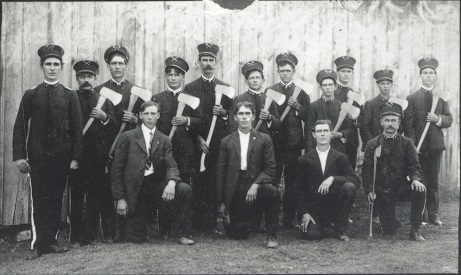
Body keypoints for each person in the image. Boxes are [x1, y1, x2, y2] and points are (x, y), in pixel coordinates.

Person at [13, 44, 83, 259]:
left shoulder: (69, 95)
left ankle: (51, 241)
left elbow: (77, 129)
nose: (52, 68)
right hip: (38, 159)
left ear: (61, 67)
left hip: (61, 159)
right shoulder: (31, 94)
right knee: (39, 201)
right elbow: (20, 127)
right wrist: (20, 156)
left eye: (56, 64)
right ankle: (36, 244)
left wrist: (75, 157)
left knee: (55, 200)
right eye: (48, 64)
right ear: (41, 67)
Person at [110, 101, 194, 245]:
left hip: (154, 187)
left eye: (153, 114)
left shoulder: (164, 139)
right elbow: (116, 170)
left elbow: (171, 164)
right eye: (146, 114)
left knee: (184, 189)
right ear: (140, 115)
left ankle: (182, 233)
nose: (150, 117)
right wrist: (120, 198)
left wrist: (172, 182)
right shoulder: (127, 137)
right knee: (136, 238)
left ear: (158, 116)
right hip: (135, 190)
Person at [216, 101, 280, 248]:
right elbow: (221, 172)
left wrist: (256, 184)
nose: (244, 117)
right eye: (241, 114)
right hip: (236, 188)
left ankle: (271, 236)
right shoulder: (226, 141)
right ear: (235, 117)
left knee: (273, 192)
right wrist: (221, 202)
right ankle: (246, 222)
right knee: (238, 234)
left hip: (256, 183)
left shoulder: (264, 139)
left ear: (253, 117)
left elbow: (270, 168)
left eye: (247, 114)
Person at [183, 43, 232, 233]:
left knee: (214, 181)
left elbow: (231, 117)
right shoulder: (190, 88)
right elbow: (187, 116)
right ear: (199, 62)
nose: (208, 64)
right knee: (198, 181)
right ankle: (197, 223)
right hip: (197, 142)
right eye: (205, 60)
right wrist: (198, 138)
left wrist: (224, 113)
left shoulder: (225, 88)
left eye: (212, 60)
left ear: (217, 62)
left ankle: (212, 223)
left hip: (218, 141)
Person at [152, 56, 202, 238]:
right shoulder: (157, 98)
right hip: (163, 150)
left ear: (183, 77)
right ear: (166, 77)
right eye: (170, 74)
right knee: (166, 185)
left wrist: (187, 120)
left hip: (185, 150)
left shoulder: (190, 99)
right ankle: (165, 228)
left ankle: (183, 229)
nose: (173, 78)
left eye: (177, 75)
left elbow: (201, 121)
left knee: (184, 188)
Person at [69, 60, 118, 246]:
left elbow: (115, 126)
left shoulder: (104, 99)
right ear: (77, 79)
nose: (86, 80)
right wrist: (73, 155)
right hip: (79, 157)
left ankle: (107, 234)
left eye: (90, 76)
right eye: (83, 76)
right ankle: (77, 238)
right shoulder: (71, 98)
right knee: (78, 197)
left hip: (100, 157)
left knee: (103, 195)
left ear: (96, 78)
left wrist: (104, 117)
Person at [362, 105, 426, 241]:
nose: (390, 124)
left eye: (393, 120)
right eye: (387, 120)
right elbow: (367, 171)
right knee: (389, 231)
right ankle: (389, 222)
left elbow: (414, 165)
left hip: (402, 186)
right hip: (382, 190)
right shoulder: (373, 144)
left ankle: (415, 229)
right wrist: (369, 190)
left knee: (420, 189)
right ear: (381, 122)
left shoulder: (407, 143)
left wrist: (415, 179)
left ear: (398, 123)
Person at [404, 58, 452, 226]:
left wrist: (438, 118)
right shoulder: (412, 98)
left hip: (435, 146)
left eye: (431, 73)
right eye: (425, 73)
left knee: (432, 181)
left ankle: (433, 213)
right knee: (419, 180)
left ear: (435, 76)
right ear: (420, 75)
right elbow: (408, 125)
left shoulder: (441, 97)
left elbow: (449, 119)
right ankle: (420, 213)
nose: (428, 76)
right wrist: (412, 146)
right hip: (418, 147)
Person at [296, 120, 360, 242]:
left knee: (349, 187)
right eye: (319, 131)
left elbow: (355, 180)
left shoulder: (341, 157)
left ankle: (340, 228)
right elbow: (298, 189)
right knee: (312, 236)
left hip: (334, 207)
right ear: (314, 135)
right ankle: (318, 225)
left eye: (326, 131)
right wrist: (304, 213)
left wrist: (333, 178)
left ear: (331, 134)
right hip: (314, 209)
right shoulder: (304, 160)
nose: (323, 134)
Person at [266, 53, 310, 229]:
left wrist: (298, 107)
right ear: (277, 71)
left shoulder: (300, 92)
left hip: (293, 144)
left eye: (288, 70)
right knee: (273, 180)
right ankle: (271, 217)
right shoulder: (270, 91)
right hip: (274, 143)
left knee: (292, 183)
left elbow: (309, 116)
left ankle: (289, 219)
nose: (285, 74)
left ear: (294, 71)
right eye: (282, 70)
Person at [227, 60, 281, 136]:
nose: (255, 80)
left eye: (258, 77)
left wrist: (269, 117)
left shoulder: (269, 99)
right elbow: (232, 125)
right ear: (246, 81)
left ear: (263, 81)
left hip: (265, 142)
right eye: (252, 78)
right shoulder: (239, 99)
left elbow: (278, 125)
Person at [306, 70, 354, 154]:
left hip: (337, 149)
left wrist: (341, 134)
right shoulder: (314, 106)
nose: (328, 87)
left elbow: (349, 129)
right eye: (325, 85)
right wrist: (310, 153)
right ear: (321, 88)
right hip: (318, 149)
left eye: (330, 84)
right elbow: (309, 132)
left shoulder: (342, 106)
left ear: (335, 87)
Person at [360, 69, 404, 152]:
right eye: (382, 83)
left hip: (392, 145)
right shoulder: (370, 104)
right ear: (377, 85)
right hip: (375, 145)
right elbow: (365, 128)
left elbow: (400, 127)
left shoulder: (397, 104)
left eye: (388, 83)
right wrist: (373, 145)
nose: (385, 86)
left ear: (392, 85)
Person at [333, 56, 361, 170]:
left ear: (352, 74)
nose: (346, 74)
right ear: (337, 72)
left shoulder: (356, 95)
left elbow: (360, 119)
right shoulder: (331, 92)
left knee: (348, 172)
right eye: (343, 71)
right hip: (334, 138)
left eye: (349, 71)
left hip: (350, 139)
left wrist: (354, 118)